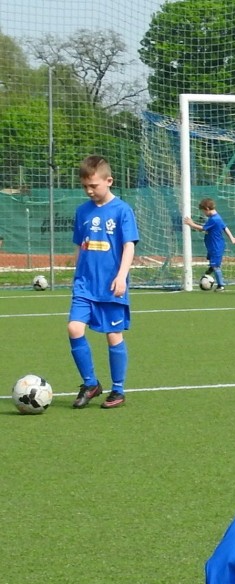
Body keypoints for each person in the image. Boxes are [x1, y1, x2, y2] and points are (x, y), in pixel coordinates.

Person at [67, 155, 139, 410]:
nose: (89, 191)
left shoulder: (122, 210)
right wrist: (76, 272)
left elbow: (129, 246)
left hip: (110, 285)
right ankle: (90, 383)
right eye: (85, 186)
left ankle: (117, 389)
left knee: (113, 335)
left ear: (109, 181)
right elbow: (80, 245)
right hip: (85, 284)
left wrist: (121, 276)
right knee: (74, 328)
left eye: (94, 185)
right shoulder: (82, 211)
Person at [184, 198, 235, 291]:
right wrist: (232, 238)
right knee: (213, 264)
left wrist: (191, 224)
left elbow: (202, 228)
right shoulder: (216, 217)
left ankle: (221, 285)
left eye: (203, 211)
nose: (203, 214)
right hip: (212, 245)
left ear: (207, 209)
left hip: (216, 246)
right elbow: (225, 227)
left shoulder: (214, 219)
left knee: (216, 266)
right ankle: (209, 272)